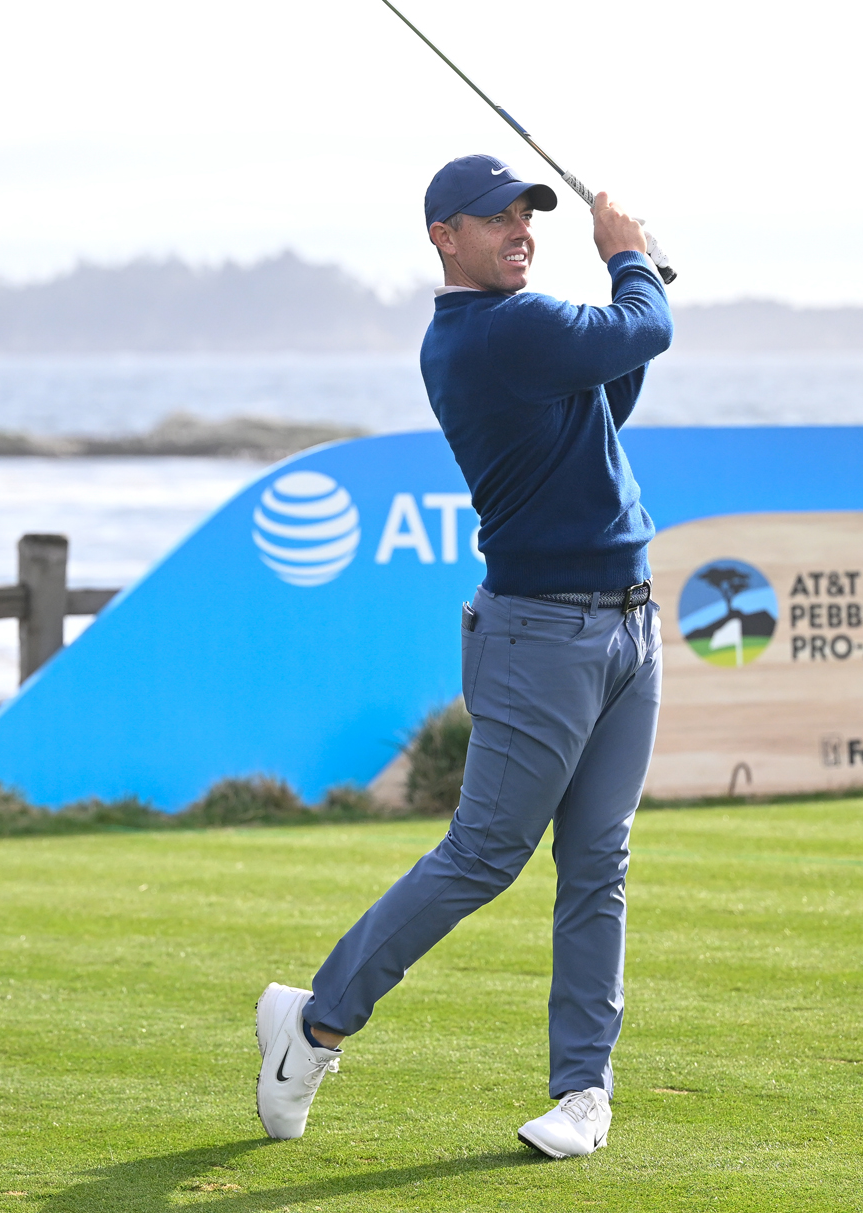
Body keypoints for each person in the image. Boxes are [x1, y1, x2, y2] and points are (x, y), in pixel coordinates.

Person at [255, 153, 672, 1159]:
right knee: (484, 854)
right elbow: (641, 327)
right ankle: (312, 1026)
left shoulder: (515, 334)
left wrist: (640, 276)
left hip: (628, 622)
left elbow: (611, 393)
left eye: (528, 212)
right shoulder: (498, 331)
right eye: (496, 218)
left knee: (597, 866)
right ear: (445, 235)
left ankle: (581, 1091)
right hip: (543, 634)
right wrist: (630, 258)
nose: (519, 228)